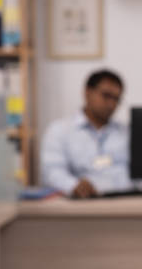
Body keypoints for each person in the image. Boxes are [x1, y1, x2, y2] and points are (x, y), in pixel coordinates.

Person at [41, 69, 130, 198]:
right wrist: (74, 185)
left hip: (127, 203)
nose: (111, 104)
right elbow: (52, 172)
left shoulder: (126, 132)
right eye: (106, 96)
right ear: (87, 93)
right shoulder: (60, 130)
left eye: (116, 99)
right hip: (81, 206)